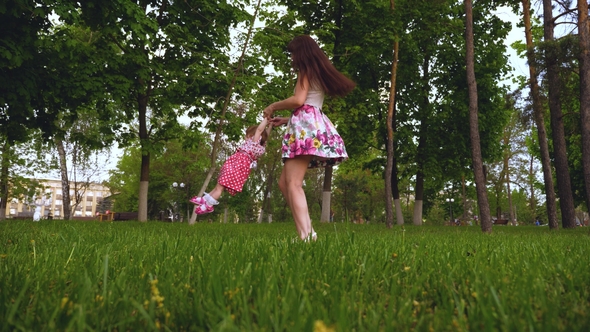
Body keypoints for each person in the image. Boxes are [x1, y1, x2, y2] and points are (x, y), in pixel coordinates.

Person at [263, 35, 356, 241]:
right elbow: (310, 107)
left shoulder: (306, 71)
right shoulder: (316, 71)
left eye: (293, 53)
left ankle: (306, 236)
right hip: (310, 125)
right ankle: (307, 232)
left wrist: (273, 106)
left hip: (305, 129)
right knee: (284, 183)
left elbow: (298, 100)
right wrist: (287, 119)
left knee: (293, 183)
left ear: (301, 52)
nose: (292, 58)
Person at [190, 119, 272, 215]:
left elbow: (259, 130)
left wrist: (266, 118)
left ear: (251, 136)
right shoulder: (261, 146)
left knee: (219, 188)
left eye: (247, 134)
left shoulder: (253, 144)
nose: (245, 137)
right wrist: (270, 126)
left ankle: (208, 205)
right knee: (220, 185)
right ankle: (204, 199)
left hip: (237, 166)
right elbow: (266, 135)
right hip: (238, 167)